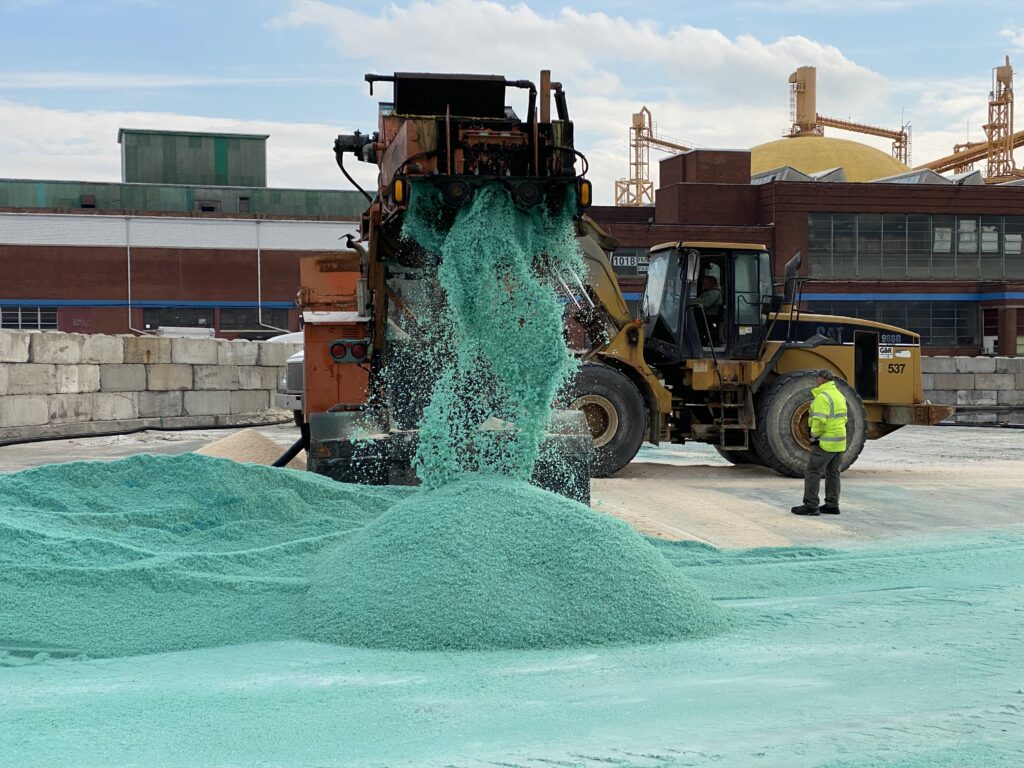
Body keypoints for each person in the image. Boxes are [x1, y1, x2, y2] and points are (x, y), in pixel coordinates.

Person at [791, 369, 848, 516]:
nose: (816, 381)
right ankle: (832, 504)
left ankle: (810, 505)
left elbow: (820, 422)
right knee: (833, 472)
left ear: (822, 380)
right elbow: (845, 419)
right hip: (839, 441)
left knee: (813, 472)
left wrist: (814, 437)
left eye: (817, 379)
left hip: (825, 442)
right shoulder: (839, 396)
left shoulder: (822, 397)